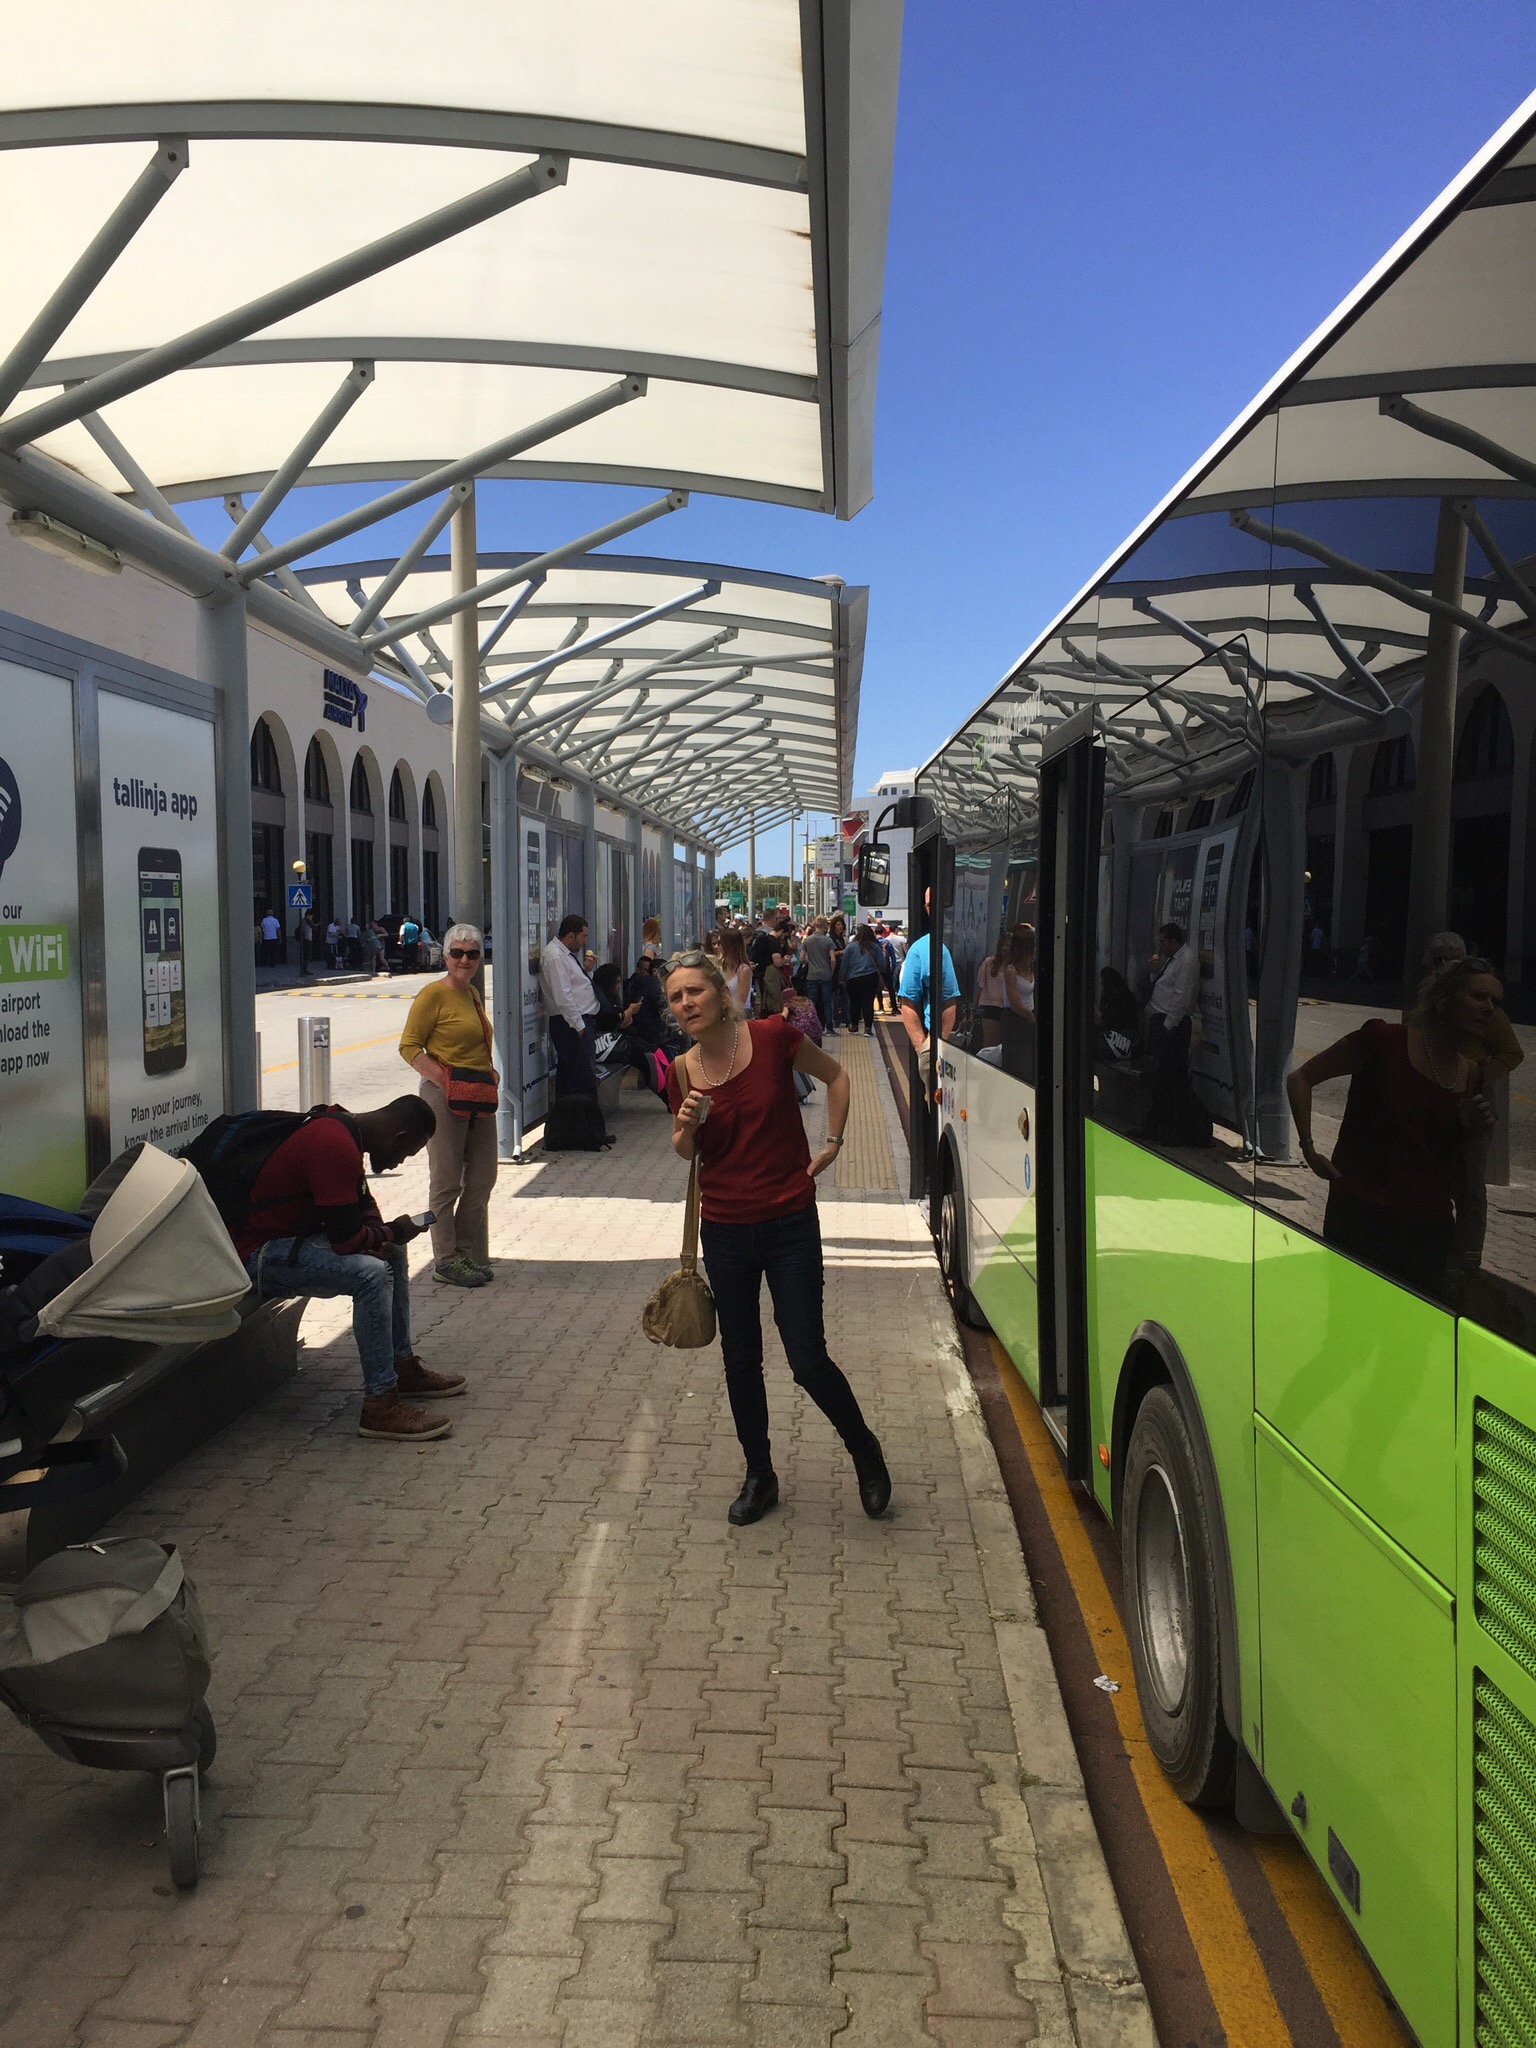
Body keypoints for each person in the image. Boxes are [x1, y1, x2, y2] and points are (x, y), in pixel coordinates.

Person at [664, 949, 890, 1526]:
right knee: (741, 1360)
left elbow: (836, 1076)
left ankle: (865, 1451)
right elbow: (686, 1151)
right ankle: (760, 1475)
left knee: (807, 1358)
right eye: (675, 998)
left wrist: (833, 1144)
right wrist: (686, 1127)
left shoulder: (771, 1037)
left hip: (789, 1223)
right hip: (724, 1229)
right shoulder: (683, 1070)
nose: (686, 1003)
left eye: (694, 991)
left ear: (720, 995)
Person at [237, 1093, 465, 1440]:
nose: (399, 1163)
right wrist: (394, 1230)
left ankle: (401, 1366)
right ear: (398, 1137)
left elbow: (362, 1205)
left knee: (391, 1252)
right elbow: (346, 1241)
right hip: (258, 1255)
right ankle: (380, 1405)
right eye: (405, 1154)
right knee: (370, 1275)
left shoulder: (346, 1129)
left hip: (288, 1242)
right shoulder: (335, 1144)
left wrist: (386, 1235)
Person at [1286, 955, 1499, 1301]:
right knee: (1349, 1320)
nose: (1490, 1008)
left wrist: (1477, 1131)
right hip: (1361, 1217)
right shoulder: (1384, 1041)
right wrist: (1309, 1149)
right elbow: (1301, 1079)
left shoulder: (1471, 1075)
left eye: (1496, 1001)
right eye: (1479, 997)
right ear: (1443, 1001)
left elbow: (1457, 1167)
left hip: (1428, 1231)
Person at [399, 922, 498, 1290]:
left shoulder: (471, 993)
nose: (464, 959)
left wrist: (489, 1073)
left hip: (478, 1096)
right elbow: (409, 1046)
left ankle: (464, 1253)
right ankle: (446, 1260)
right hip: (444, 1098)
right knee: (446, 1181)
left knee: (483, 1178)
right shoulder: (433, 995)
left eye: (472, 953)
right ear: (445, 956)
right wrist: (444, 1081)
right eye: (457, 953)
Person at [1142, 922, 1204, 1143]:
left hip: (1173, 1026)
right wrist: (1154, 972)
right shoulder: (1172, 959)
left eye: (1162, 941)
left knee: (1171, 1079)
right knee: (1160, 1078)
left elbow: (1181, 998)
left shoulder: (1187, 961)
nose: (1160, 946)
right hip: (1160, 1020)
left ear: (1172, 940)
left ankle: (1171, 1130)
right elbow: (1163, 985)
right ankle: (1156, 1127)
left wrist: (1168, 1026)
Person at [539, 912, 601, 1098]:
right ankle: (584, 1113)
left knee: (571, 1073)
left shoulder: (566, 954)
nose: (585, 942)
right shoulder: (555, 957)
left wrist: (587, 971)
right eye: (583, 936)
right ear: (571, 935)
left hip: (578, 1020)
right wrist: (578, 1025)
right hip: (571, 1023)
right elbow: (563, 995)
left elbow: (576, 985)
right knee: (583, 1076)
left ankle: (570, 1111)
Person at [592, 962, 667, 1097]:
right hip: (605, 1043)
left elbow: (623, 1021)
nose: (618, 986)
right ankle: (666, 1094)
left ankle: (670, 1087)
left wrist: (627, 1014)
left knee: (656, 1052)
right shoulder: (598, 1001)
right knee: (648, 1057)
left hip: (619, 1039)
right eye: (617, 982)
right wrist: (631, 1010)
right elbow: (616, 1022)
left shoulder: (610, 999)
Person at [897, 896, 960, 1057]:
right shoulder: (920, 949)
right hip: (937, 1045)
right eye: (929, 905)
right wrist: (924, 1050)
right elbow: (908, 1002)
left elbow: (949, 1002)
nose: (933, 908)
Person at [842, 924, 884, 1035]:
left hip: (853, 979)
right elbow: (882, 963)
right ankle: (868, 1028)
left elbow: (844, 964)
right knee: (868, 1002)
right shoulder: (875, 947)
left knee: (854, 1002)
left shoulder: (850, 947)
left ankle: (854, 1025)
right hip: (871, 977)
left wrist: (842, 978)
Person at [802, 916, 838, 1035]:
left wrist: (810, 962)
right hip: (825, 975)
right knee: (827, 1002)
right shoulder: (828, 941)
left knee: (812, 1003)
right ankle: (829, 1028)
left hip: (812, 975)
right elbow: (833, 959)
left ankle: (811, 1027)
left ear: (814, 925)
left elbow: (802, 958)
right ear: (825, 926)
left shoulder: (807, 940)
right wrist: (831, 972)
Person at [719, 926, 753, 1014]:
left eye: (719, 943)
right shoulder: (720, 967)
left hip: (740, 1015)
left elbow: (740, 1002)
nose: (716, 947)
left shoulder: (743, 970)